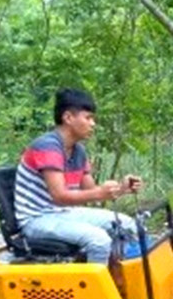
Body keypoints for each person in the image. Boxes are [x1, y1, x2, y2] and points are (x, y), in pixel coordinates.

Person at [14, 88, 142, 263]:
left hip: (64, 213)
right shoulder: (47, 146)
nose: (93, 124)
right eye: (88, 118)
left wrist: (121, 188)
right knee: (99, 240)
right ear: (68, 118)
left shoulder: (78, 150)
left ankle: (117, 277)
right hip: (37, 219)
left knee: (126, 225)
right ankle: (95, 289)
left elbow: (91, 191)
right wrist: (100, 193)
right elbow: (60, 196)